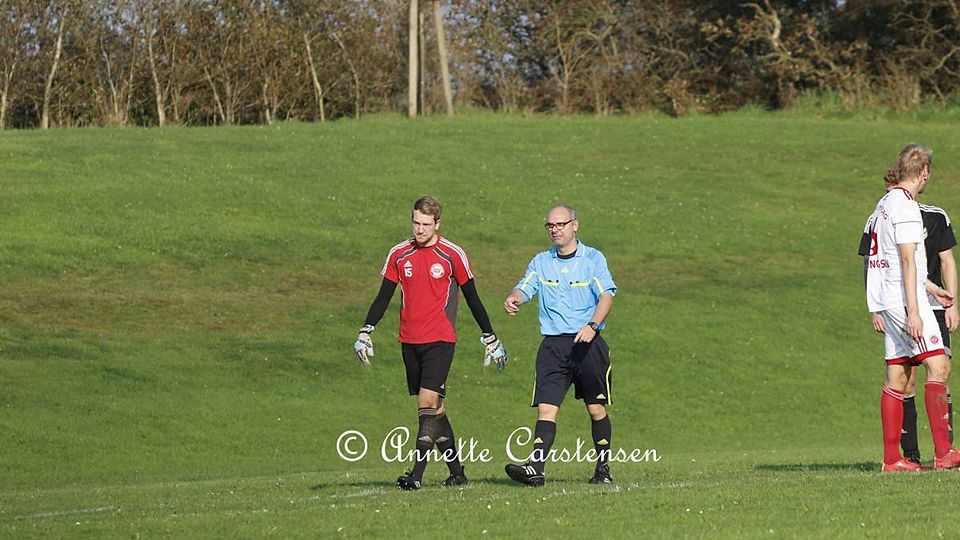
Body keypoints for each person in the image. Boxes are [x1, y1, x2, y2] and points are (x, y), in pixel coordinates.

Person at [353, 196, 508, 490]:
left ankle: (416, 475)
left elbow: (473, 298)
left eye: (425, 224)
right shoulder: (399, 254)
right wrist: (366, 331)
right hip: (409, 340)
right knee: (435, 409)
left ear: (438, 223)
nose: (419, 229)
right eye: (416, 223)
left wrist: (490, 336)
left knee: (426, 402)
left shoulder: (452, 254)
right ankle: (457, 473)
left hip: (440, 340)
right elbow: (383, 296)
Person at [502, 204, 617, 486]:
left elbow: (606, 296)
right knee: (546, 408)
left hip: (587, 345)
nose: (555, 230)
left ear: (574, 225)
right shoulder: (541, 261)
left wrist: (592, 326)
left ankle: (603, 469)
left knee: (595, 408)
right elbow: (525, 287)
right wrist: (514, 297)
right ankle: (535, 469)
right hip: (553, 347)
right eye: (550, 225)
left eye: (560, 224)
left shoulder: (593, 259)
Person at [862, 144, 960, 471]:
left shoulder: (883, 205)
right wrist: (915, 311)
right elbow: (906, 259)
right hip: (905, 303)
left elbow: (892, 260)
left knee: (897, 376)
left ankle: (893, 460)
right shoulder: (905, 207)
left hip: (889, 299)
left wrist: (933, 288)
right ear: (924, 173)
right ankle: (945, 454)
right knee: (939, 366)